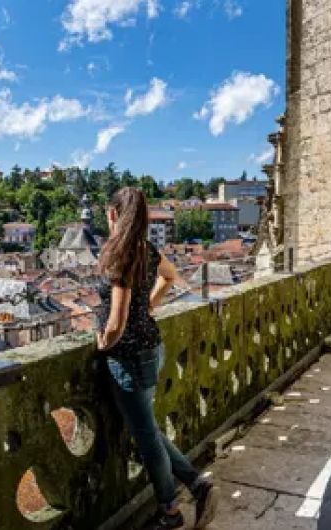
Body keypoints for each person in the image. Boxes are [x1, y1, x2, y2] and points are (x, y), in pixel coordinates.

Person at [96, 187, 219, 530]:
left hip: (128, 357)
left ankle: (171, 510)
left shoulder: (119, 255)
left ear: (113, 215)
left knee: (147, 439)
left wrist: (103, 342)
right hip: (151, 348)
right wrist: (149, 305)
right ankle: (198, 486)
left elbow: (116, 321)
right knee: (147, 428)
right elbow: (170, 275)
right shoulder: (146, 250)